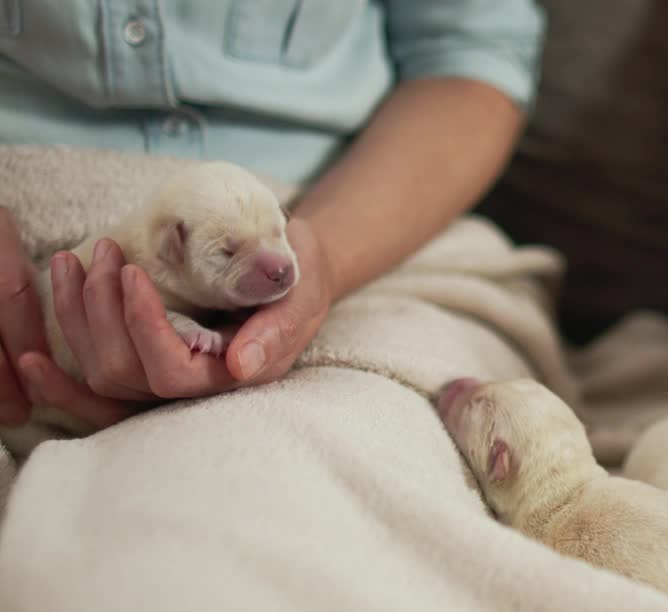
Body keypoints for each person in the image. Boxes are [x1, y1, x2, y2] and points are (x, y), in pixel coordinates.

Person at [0, 1, 544, 432]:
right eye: (229, 252)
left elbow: (472, 58)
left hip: (358, 225)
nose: (276, 267)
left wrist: (325, 250)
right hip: (29, 229)